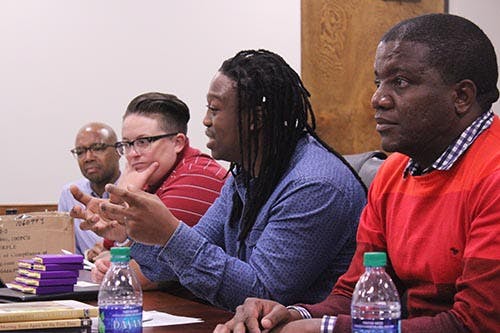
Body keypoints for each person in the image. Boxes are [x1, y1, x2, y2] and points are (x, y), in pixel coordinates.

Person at [214, 13, 500, 333]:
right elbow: (355, 293)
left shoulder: (493, 176)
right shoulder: (393, 173)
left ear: (461, 96)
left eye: (400, 82)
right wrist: (291, 315)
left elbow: (477, 325)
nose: (378, 99)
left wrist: (325, 330)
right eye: (379, 83)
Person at [72, 50, 367, 311]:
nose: (205, 121)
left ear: (255, 118)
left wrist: (169, 234)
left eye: (214, 109)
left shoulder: (314, 186)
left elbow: (262, 294)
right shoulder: (246, 175)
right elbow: (171, 265)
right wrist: (132, 229)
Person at [86, 92, 228, 289]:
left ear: (177, 143)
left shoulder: (197, 177)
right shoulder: (152, 175)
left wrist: (126, 192)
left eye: (143, 142)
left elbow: (146, 273)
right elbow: (113, 249)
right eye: (127, 144)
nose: (133, 154)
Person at [58, 122, 121, 257]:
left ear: (119, 151)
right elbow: (66, 252)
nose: (88, 158)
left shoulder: (134, 190)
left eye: (98, 148)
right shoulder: (69, 194)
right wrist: (88, 255)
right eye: (80, 152)